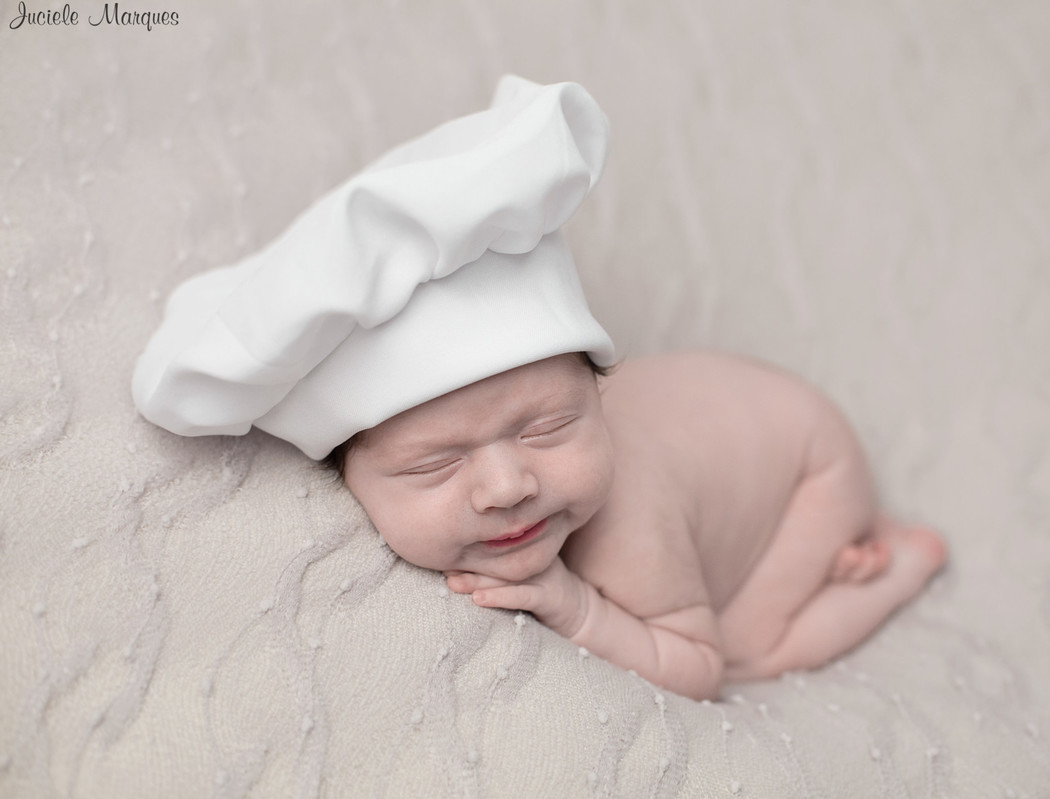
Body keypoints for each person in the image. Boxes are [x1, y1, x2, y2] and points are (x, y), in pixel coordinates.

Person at [132, 77, 946, 702]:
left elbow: (695, 666)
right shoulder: (484, 479)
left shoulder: (628, 528)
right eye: (435, 464)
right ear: (345, 480)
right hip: (734, 415)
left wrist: (578, 607)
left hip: (806, 462)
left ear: (599, 397)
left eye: (549, 427)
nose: (508, 485)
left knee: (747, 642)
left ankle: (899, 560)